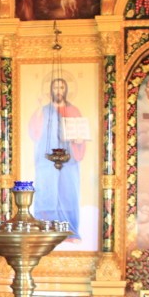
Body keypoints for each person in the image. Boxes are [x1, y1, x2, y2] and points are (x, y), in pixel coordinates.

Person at [30, 77, 86, 239]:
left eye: (62, 87)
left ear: (66, 90)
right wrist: (39, 109)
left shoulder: (73, 110)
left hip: (69, 160)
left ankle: (70, 232)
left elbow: (80, 134)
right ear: (51, 91)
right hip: (47, 161)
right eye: (56, 88)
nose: (59, 91)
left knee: (68, 192)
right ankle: (45, 231)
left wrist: (79, 140)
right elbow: (34, 132)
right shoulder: (43, 110)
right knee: (46, 191)